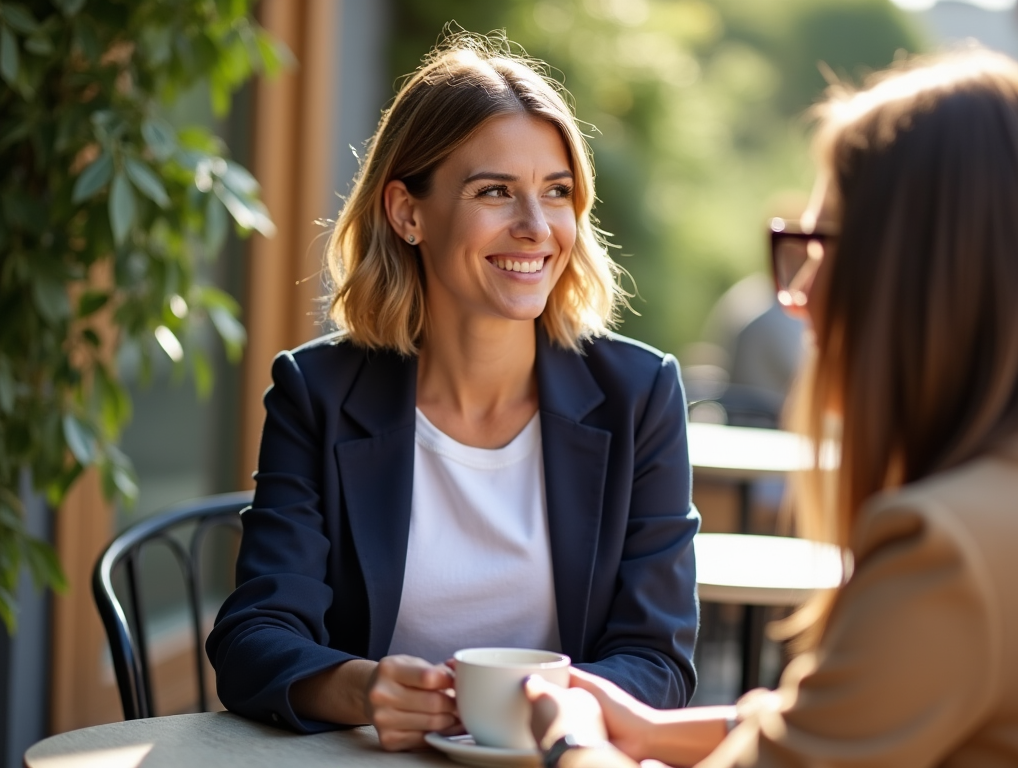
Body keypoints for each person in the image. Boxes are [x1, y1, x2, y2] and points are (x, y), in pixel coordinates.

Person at [523, 48, 1018, 767]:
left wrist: (569, 738)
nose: (802, 298)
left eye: (821, 249)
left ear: (914, 271)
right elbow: (840, 720)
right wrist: (655, 732)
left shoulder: (946, 550)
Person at [206, 31, 700, 751]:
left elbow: (658, 658)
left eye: (556, 193)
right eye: (495, 191)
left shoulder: (640, 395)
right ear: (407, 213)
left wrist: (548, 710)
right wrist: (363, 688)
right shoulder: (316, 393)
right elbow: (255, 635)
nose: (536, 228)